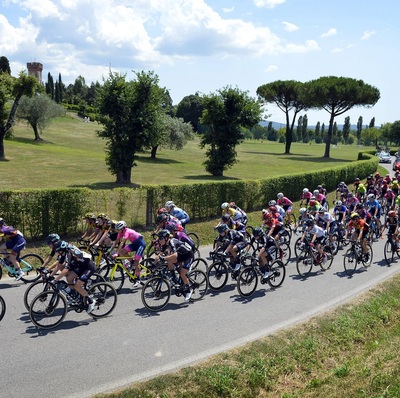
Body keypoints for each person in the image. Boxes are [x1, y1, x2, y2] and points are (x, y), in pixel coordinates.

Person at [51, 241, 97, 313]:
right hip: (80, 266)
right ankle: (75, 297)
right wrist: (50, 276)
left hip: (88, 267)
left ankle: (91, 301)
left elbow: (66, 270)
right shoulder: (64, 253)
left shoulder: (69, 254)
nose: (57, 253)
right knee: (69, 278)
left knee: (77, 286)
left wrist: (55, 280)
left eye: (57, 251)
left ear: (61, 250)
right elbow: (59, 266)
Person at [157, 229, 195, 302]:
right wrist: (154, 263)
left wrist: (164, 258)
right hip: (181, 255)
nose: (159, 241)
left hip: (188, 256)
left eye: (160, 239)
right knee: (169, 261)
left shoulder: (172, 242)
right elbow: (160, 255)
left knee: (182, 274)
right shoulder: (165, 244)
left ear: (166, 238)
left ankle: (188, 291)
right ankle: (174, 278)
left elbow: (175, 255)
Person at [110, 221, 146, 287]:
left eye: (119, 229)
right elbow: (116, 242)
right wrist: (110, 250)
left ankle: (138, 279)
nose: (118, 231)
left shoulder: (127, 231)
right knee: (122, 252)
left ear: (123, 228)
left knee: (136, 261)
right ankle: (132, 262)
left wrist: (116, 253)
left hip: (141, 244)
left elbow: (122, 243)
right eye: (117, 229)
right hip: (134, 244)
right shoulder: (121, 232)